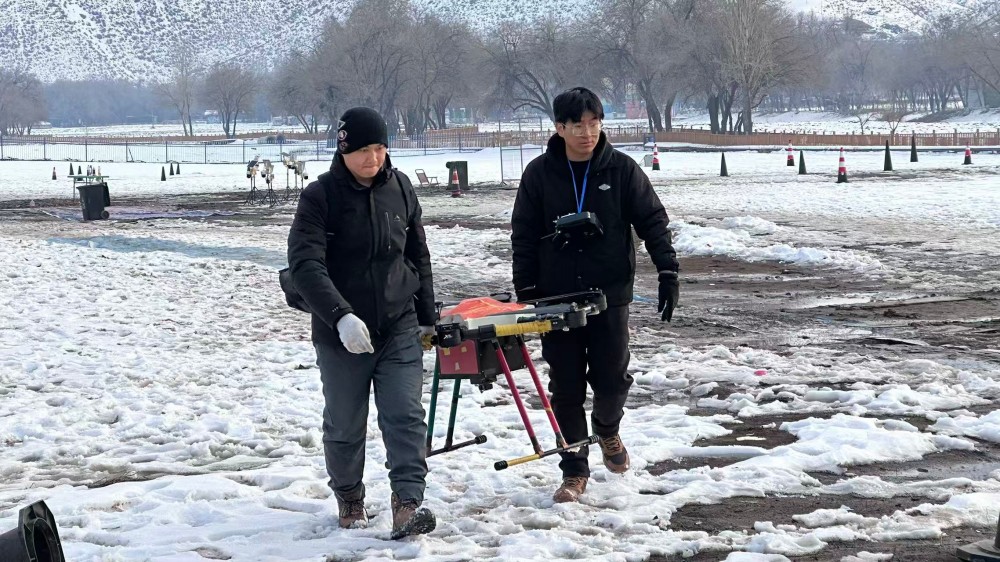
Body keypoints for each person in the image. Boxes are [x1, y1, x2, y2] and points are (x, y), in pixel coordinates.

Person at [510, 87, 680, 503]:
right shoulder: (539, 173)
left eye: (594, 123)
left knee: (612, 378)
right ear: (559, 128)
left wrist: (668, 271)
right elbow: (523, 234)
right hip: (556, 295)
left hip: (610, 292)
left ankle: (607, 429)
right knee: (565, 387)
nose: (586, 133)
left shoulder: (621, 170)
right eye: (577, 125)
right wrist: (527, 288)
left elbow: (653, 221)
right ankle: (574, 471)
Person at [286, 107, 437, 538]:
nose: (374, 158)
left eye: (380, 148)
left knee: (405, 415)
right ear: (343, 148)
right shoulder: (320, 197)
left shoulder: (401, 188)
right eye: (364, 150)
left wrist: (427, 318)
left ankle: (407, 503)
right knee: (345, 423)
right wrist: (340, 316)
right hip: (342, 334)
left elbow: (417, 256)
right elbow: (305, 265)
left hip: (398, 324)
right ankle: (349, 496)